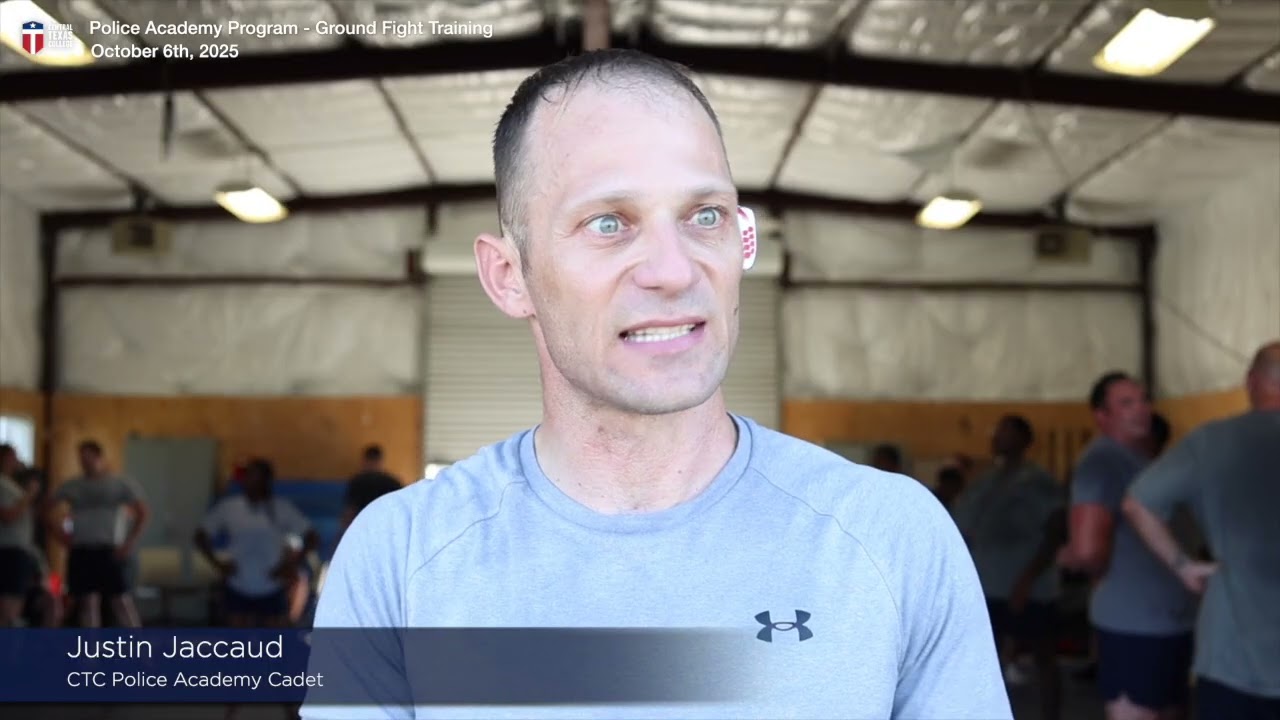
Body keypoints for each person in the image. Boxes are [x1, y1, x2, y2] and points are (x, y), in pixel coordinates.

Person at [304, 49, 1009, 720]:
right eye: (609, 223)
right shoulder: (399, 560)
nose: (673, 270)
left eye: (705, 216)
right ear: (508, 276)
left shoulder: (893, 538)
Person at [1122, 340, 1280, 720]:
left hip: (1233, 654)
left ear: (1251, 382)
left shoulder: (1212, 442)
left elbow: (1136, 503)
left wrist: (1183, 567)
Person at [1059, 372, 1195, 720]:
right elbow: (1088, 551)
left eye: (1144, 400)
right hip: (1134, 626)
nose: (1141, 410)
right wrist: (1078, 558)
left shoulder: (1143, 461)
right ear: (1102, 416)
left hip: (1167, 623)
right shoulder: (1102, 463)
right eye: (1126, 403)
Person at [952, 415, 1064, 720]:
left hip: (1029, 587)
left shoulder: (1038, 481)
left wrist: (1028, 579)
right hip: (989, 585)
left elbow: (1056, 531)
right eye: (997, 430)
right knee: (988, 658)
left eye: (1006, 432)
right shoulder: (986, 480)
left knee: (1044, 656)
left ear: (1024, 441)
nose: (997, 436)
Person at [195, 458, 319, 629]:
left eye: (256, 477)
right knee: (238, 644)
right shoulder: (230, 508)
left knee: (272, 645)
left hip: (270, 584)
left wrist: (290, 565)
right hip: (238, 583)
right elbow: (200, 536)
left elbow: (312, 537)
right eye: (248, 477)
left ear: (266, 480)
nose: (250, 481)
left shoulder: (281, 509)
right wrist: (217, 564)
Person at [47, 440, 150, 628]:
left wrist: (129, 543)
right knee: (87, 602)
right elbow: (46, 509)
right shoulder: (73, 485)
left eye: (89, 459)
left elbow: (142, 513)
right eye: (82, 460)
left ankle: (139, 651)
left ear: (100, 458)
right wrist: (60, 536)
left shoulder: (120, 484)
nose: (86, 463)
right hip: (82, 548)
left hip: (109, 549)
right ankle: (90, 654)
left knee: (120, 601)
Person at [0, 444, 40, 626]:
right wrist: (29, 495)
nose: (18, 461)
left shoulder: (12, 485)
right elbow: (8, 515)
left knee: (15, 608)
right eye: (14, 457)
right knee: (9, 609)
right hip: (9, 551)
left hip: (19, 551)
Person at [340, 444, 401, 533]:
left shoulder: (358, 481)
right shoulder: (392, 482)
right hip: (386, 527)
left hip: (362, 526)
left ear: (364, 461)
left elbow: (350, 511)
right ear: (380, 461)